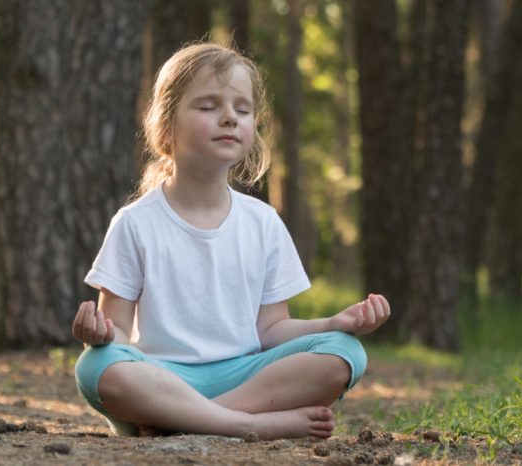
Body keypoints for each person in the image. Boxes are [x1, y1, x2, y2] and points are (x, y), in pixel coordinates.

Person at [73, 41, 391, 440]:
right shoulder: (135, 223)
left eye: (242, 110)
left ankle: (180, 422)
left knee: (345, 352)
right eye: (208, 107)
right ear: (165, 126)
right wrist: (101, 335)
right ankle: (247, 425)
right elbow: (117, 331)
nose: (229, 118)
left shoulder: (263, 223)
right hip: (160, 379)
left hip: (244, 380)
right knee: (94, 366)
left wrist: (333, 322)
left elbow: (272, 330)